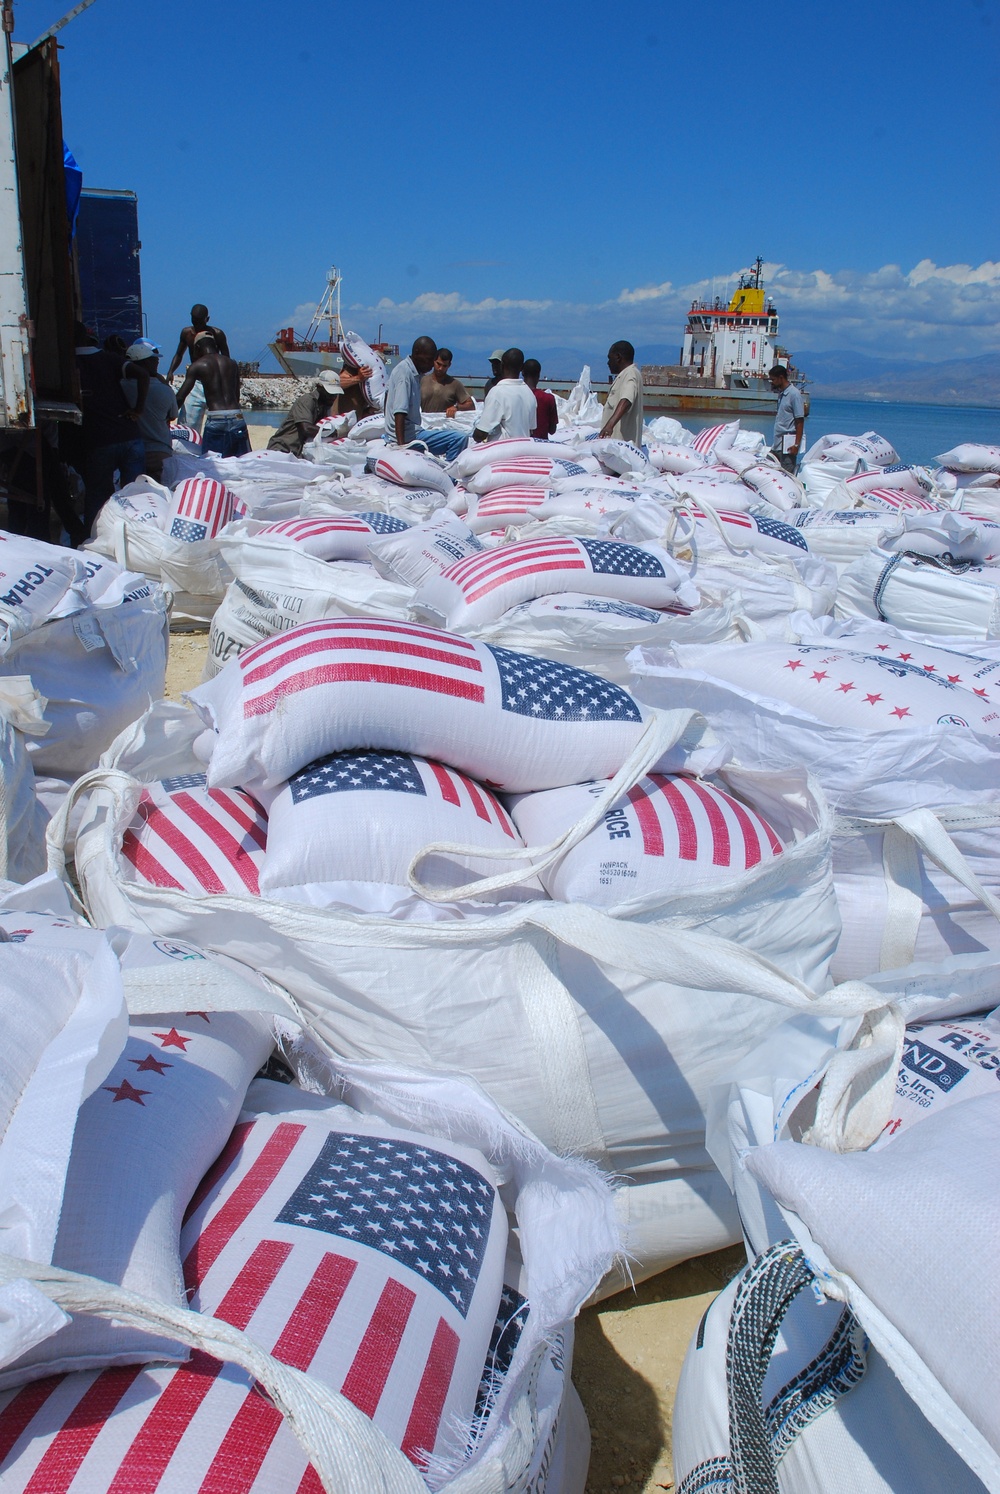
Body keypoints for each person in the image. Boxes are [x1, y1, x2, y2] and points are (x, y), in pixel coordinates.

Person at [74, 321, 148, 532]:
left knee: (98, 496)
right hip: (129, 435)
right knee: (135, 495)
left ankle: (95, 539)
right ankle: (139, 535)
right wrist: (138, 409)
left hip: (100, 440)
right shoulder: (109, 359)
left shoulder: (69, 364)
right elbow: (142, 375)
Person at [384, 336, 468, 462]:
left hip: (410, 432)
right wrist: (402, 449)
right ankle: (450, 477)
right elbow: (399, 412)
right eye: (429, 360)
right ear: (417, 353)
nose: (431, 365)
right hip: (409, 437)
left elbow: (387, 398)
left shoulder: (411, 373)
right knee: (459, 439)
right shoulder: (405, 374)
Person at [268, 365, 373, 457]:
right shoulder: (307, 401)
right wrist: (335, 433)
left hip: (296, 452)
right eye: (330, 393)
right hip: (282, 448)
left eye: (335, 394)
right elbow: (306, 428)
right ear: (319, 387)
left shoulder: (324, 405)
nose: (333, 397)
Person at [173, 338, 250, 458]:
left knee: (211, 462)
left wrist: (168, 415)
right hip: (237, 416)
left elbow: (181, 396)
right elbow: (236, 395)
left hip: (216, 418)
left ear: (197, 348)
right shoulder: (232, 363)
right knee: (241, 460)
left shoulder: (197, 366)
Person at [120, 339, 178, 483]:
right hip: (160, 451)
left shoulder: (121, 386)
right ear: (144, 363)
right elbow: (172, 416)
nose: (157, 363)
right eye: (153, 360)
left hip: (130, 450)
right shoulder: (165, 391)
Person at [165, 305, 230, 433]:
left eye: (200, 321)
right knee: (188, 424)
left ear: (207, 319)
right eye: (194, 321)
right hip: (195, 379)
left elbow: (226, 358)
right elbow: (179, 354)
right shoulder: (187, 333)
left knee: (218, 422)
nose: (197, 324)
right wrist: (170, 371)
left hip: (214, 381)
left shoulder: (217, 334)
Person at [472, 348, 537, 443]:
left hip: (502, 451)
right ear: (522, 367)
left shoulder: (497, 392)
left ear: (502, 365)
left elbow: (480, 434)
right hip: (523, 450)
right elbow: (531, 429)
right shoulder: (529, 394)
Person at [599, 341, 644, 445]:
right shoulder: (626, 374)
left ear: (618, 357)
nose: (608, 363)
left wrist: (610, 424)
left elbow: (627, 399)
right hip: (618, 449)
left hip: (622, 451)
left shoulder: (630, 374)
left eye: (610, 358)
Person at [769, 363, 805, 472]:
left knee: (786, 474)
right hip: (777, 443)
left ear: (781, 378)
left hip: (787, 446)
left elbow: (800, 421)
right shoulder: (782, 394)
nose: (772, 383)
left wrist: (796, 444)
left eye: (773, 380)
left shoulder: (794, 395)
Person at [420, 349, 475, 416]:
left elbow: (471, 405)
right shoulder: (422, 381)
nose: (440, 368)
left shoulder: (455, 384)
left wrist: (456, 407)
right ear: (434, 361)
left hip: (445, 425)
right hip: (424, 423)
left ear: (449, 365)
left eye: (444, 366)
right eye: (438, 364)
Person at [522, 358, 558, 440]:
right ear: (538, 375)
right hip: (541, 447)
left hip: (521, 445)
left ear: (523, 373)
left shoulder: (516, 396)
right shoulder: (549, 398)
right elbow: (552, 430)